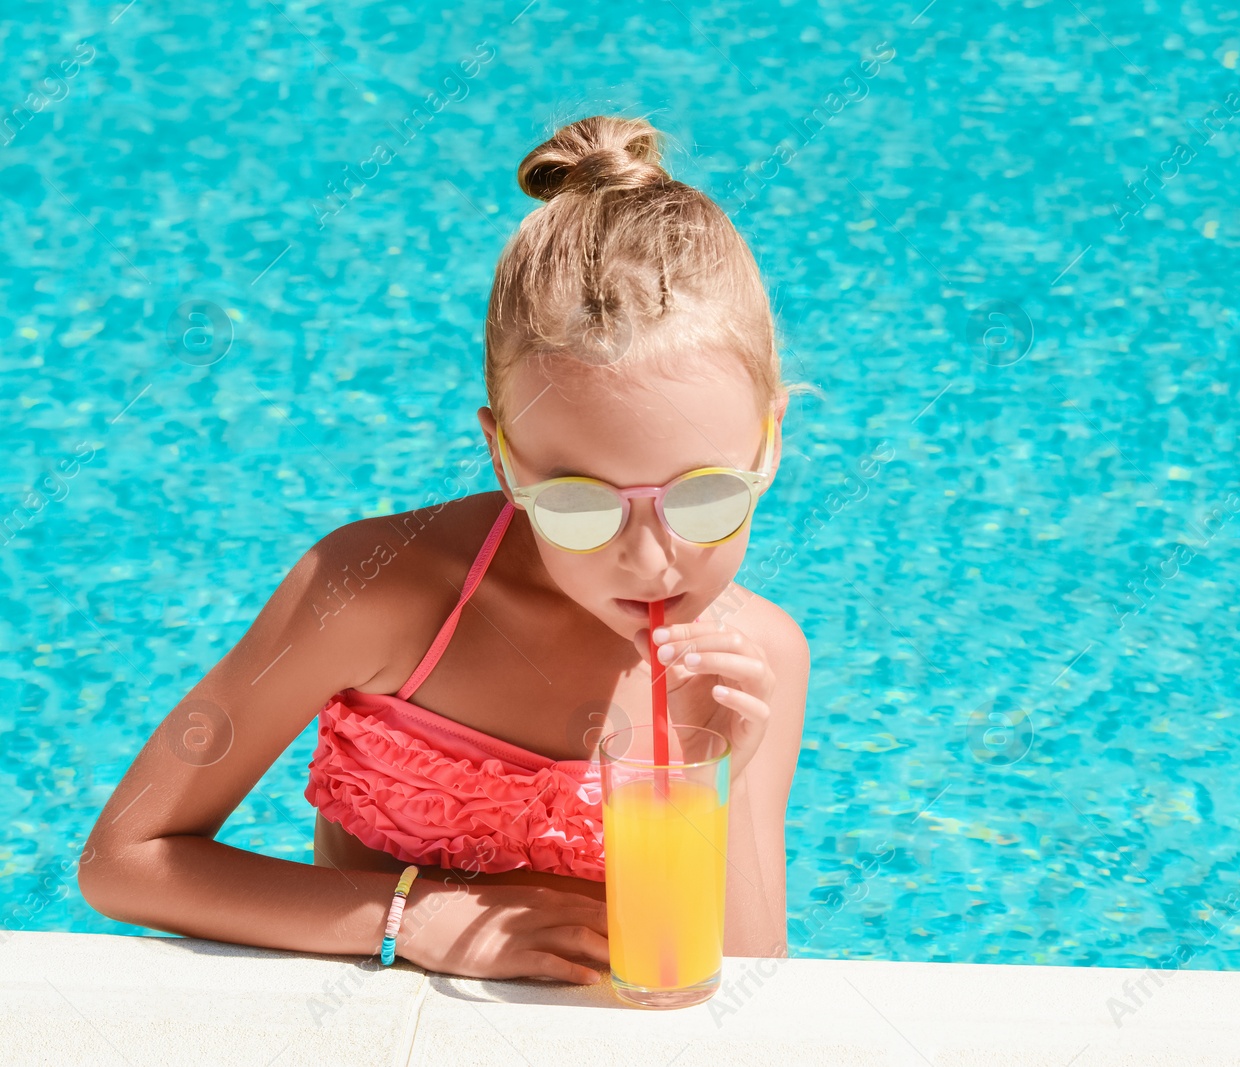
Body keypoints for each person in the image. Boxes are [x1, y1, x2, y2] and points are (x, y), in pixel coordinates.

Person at [79, 114, 814, 984]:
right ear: (505, 458)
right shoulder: (380, 593)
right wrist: (422, 917)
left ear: (768, 445)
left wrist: (727, 771)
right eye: (580, 508)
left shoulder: (756, 660)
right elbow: (125, 858)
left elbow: (753, 982)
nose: (652, 559)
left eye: (705, 499)